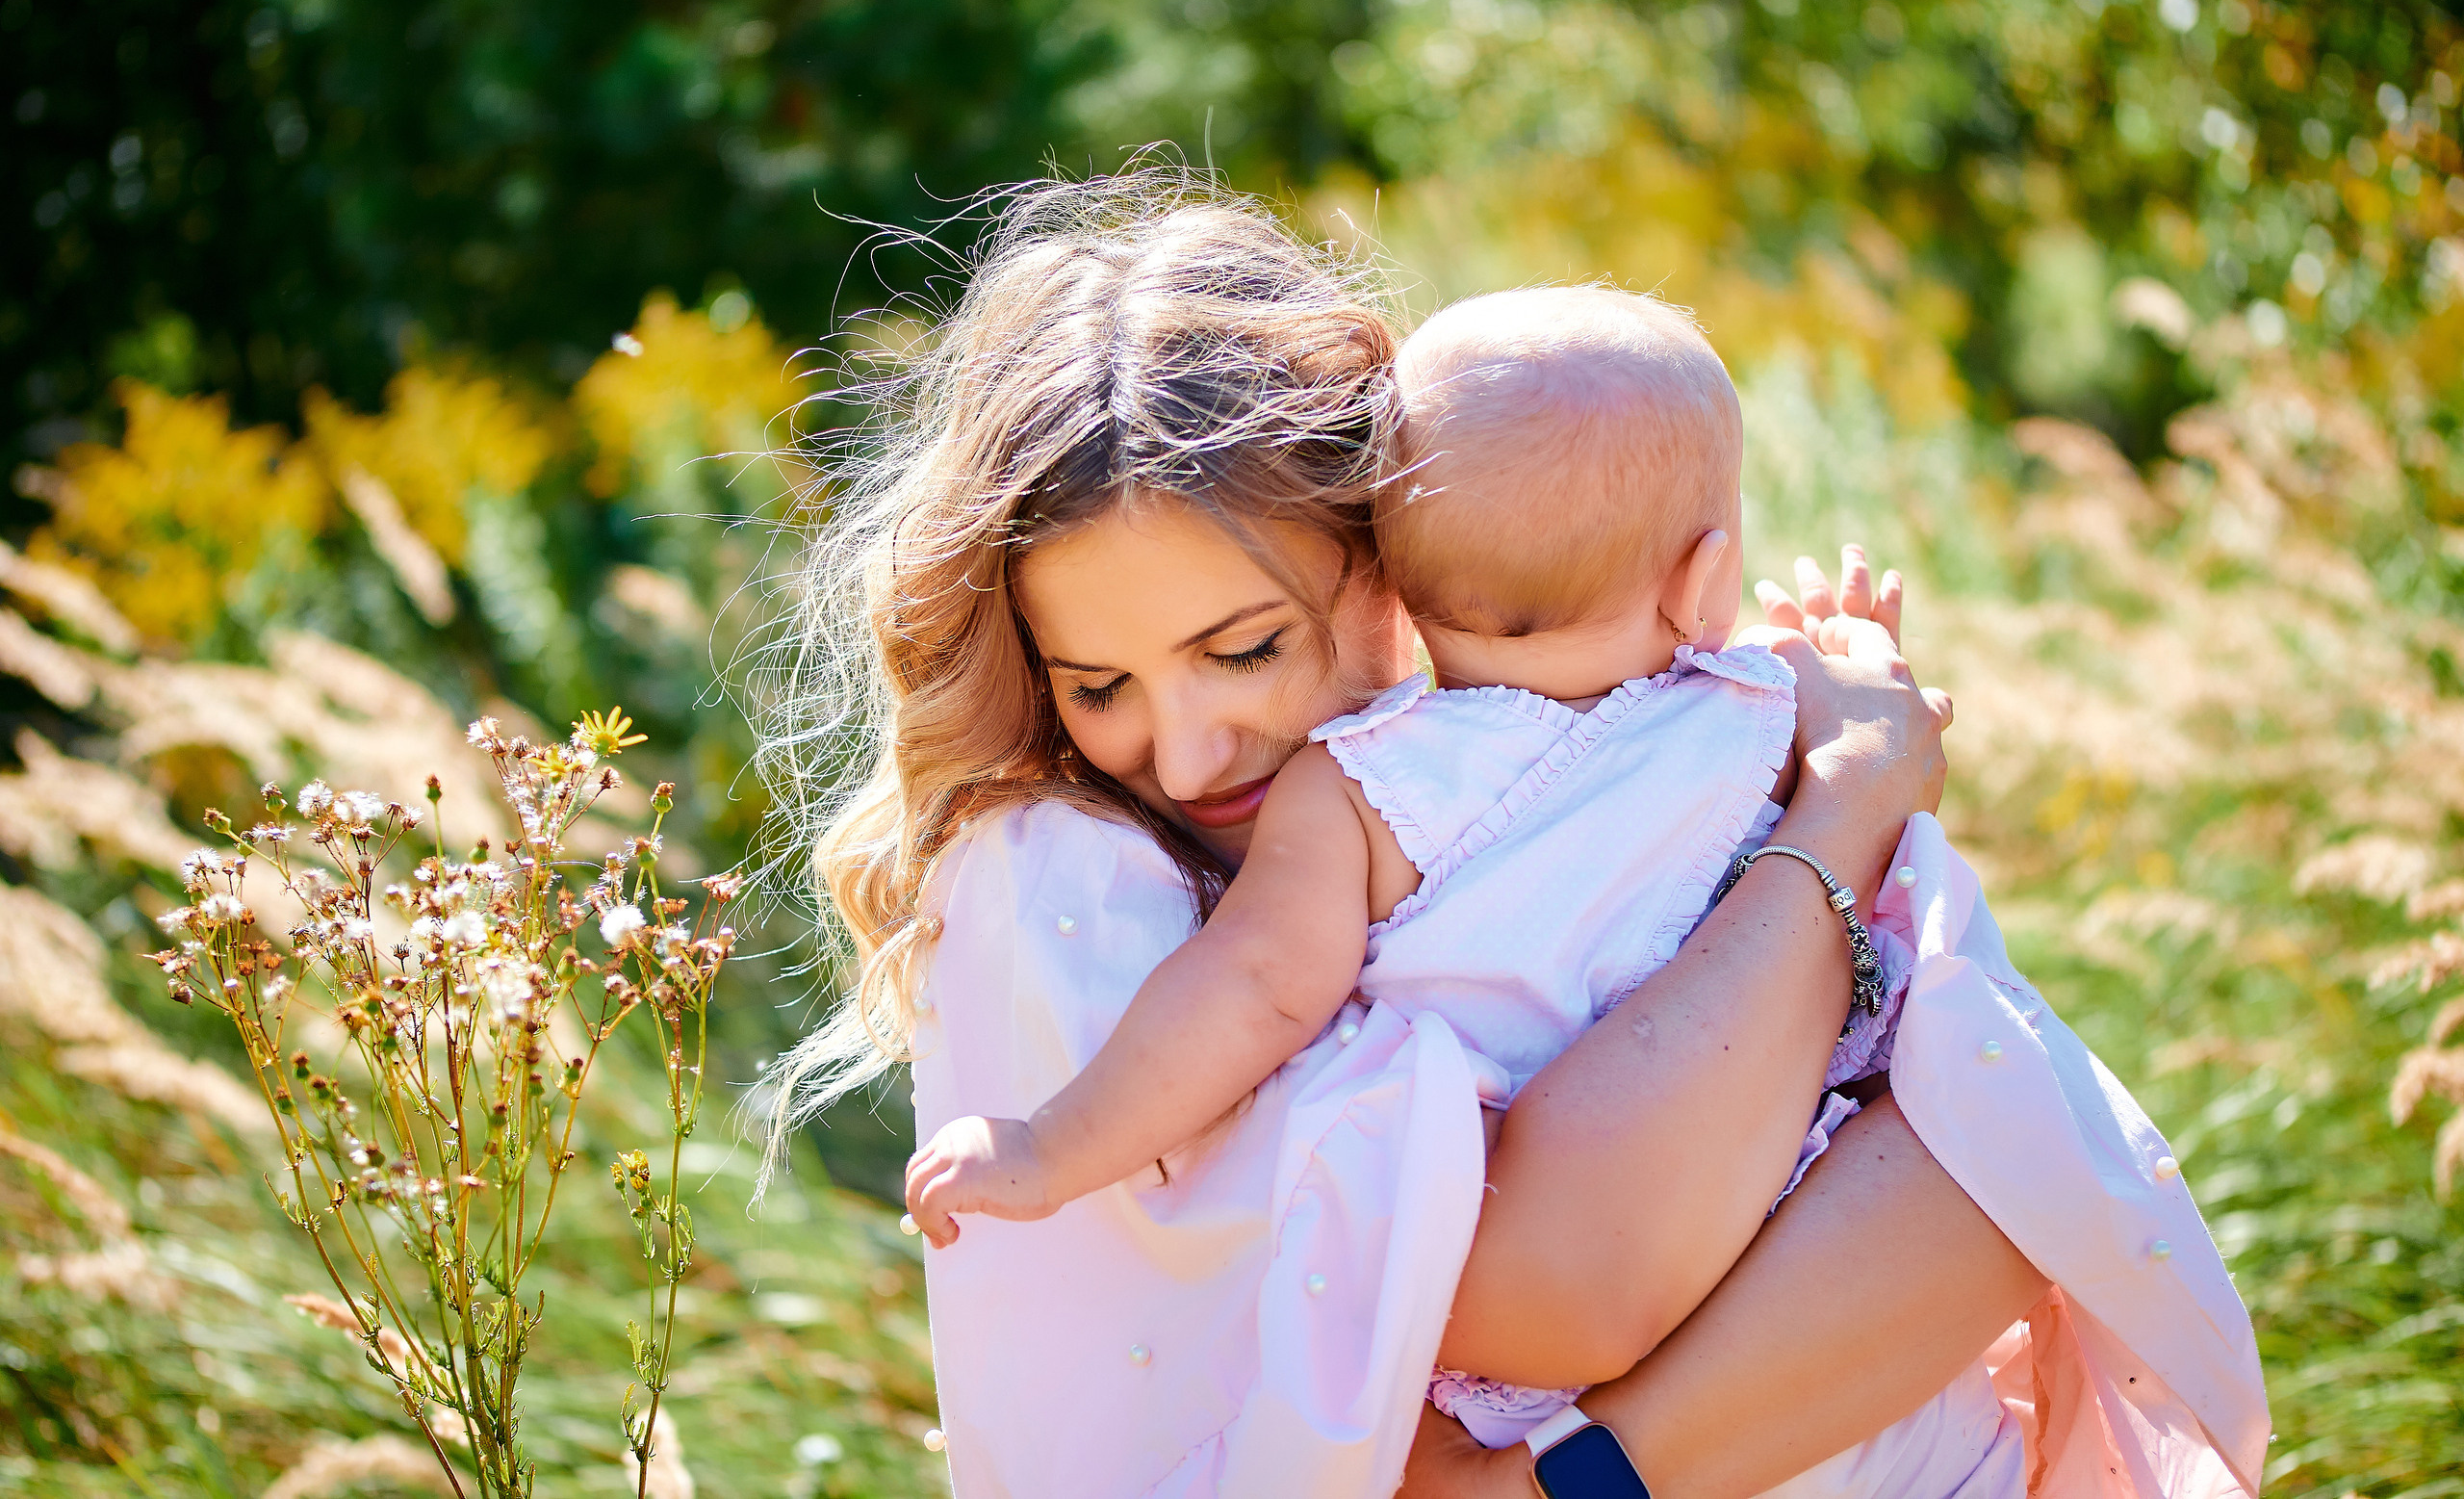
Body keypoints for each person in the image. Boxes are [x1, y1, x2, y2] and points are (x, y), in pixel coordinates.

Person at [759, 174, 2268, 1497]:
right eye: (1101, 686)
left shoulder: (1488, 772)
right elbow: (1566, 1291)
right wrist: (1850, 806)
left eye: (1245, 650)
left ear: (1385, 564)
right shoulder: (1066, 882)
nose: (1191, 747)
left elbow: (1992, 1186)